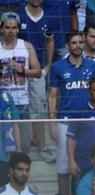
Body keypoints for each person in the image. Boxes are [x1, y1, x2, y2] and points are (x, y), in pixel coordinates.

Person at [49, 31, 95, 195]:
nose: (78, 45)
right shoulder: (57, 67)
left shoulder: (93, 66)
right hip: (65, 121)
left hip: (88, 121)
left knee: (88, 164)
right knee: (63, 167)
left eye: (80, 42)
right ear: (68, 45)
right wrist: (52, 123)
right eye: (73, 42)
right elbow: (53, 96)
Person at [0, 11, 42, 157]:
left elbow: (38, 72)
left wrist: (22, 70)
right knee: (4, 147)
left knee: (24, 145)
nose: (11, 31)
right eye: (7, 27)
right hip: (2, 105)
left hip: (22, 102)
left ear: (18, 29)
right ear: (1, 28)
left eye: (13, 27)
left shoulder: (27, 46)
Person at [17, 0, 54, 160]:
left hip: (38, 72)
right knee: (18, 107)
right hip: (18, 71)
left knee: (39, 108)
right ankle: (21, 147)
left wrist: (48, 66)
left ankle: (42, 146)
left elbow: (50, 41)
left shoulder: (49, 17)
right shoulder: (19, 15)